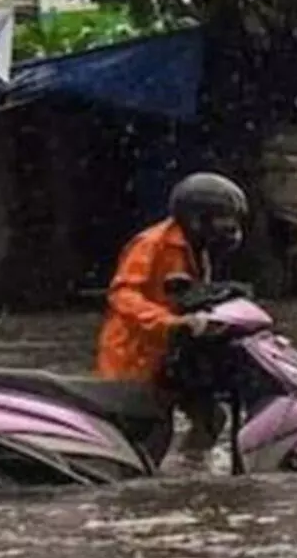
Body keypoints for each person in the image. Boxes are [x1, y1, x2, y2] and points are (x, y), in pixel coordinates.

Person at [95, 172, 249, 463]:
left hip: (172, 354)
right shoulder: (151, 244)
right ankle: (142, 486)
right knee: (155, 430)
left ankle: (190, 472)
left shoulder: (198, 250)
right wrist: (169, 323)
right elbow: (123, 295)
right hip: (135, 356)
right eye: (223, 220)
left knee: (210, 418)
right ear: (197, 218)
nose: (230, 229)